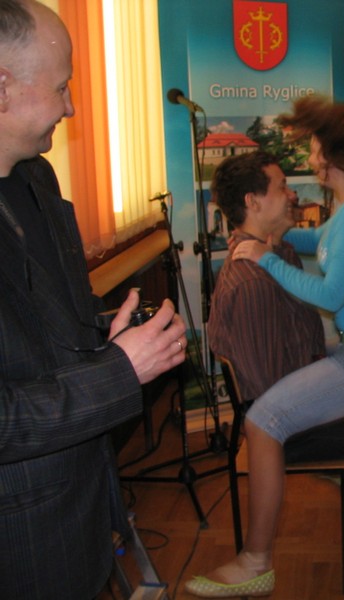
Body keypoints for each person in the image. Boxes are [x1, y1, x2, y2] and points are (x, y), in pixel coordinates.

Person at [189, 98, 344, 596]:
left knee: (263, 421)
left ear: (331, 156)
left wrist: (267, 254)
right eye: (280, 187)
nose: (309, 156)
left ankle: (256, 560)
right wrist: (273, 242)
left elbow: (332, 295)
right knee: (268, 419)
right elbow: (322, 237)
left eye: (315, 146)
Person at [0, 2, 187, 598]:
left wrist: (104, 339)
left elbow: (38, 329)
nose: (71, 107)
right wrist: (119, 371)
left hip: (82, 501)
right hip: (22, 541)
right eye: (61, 87)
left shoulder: (37, 176)